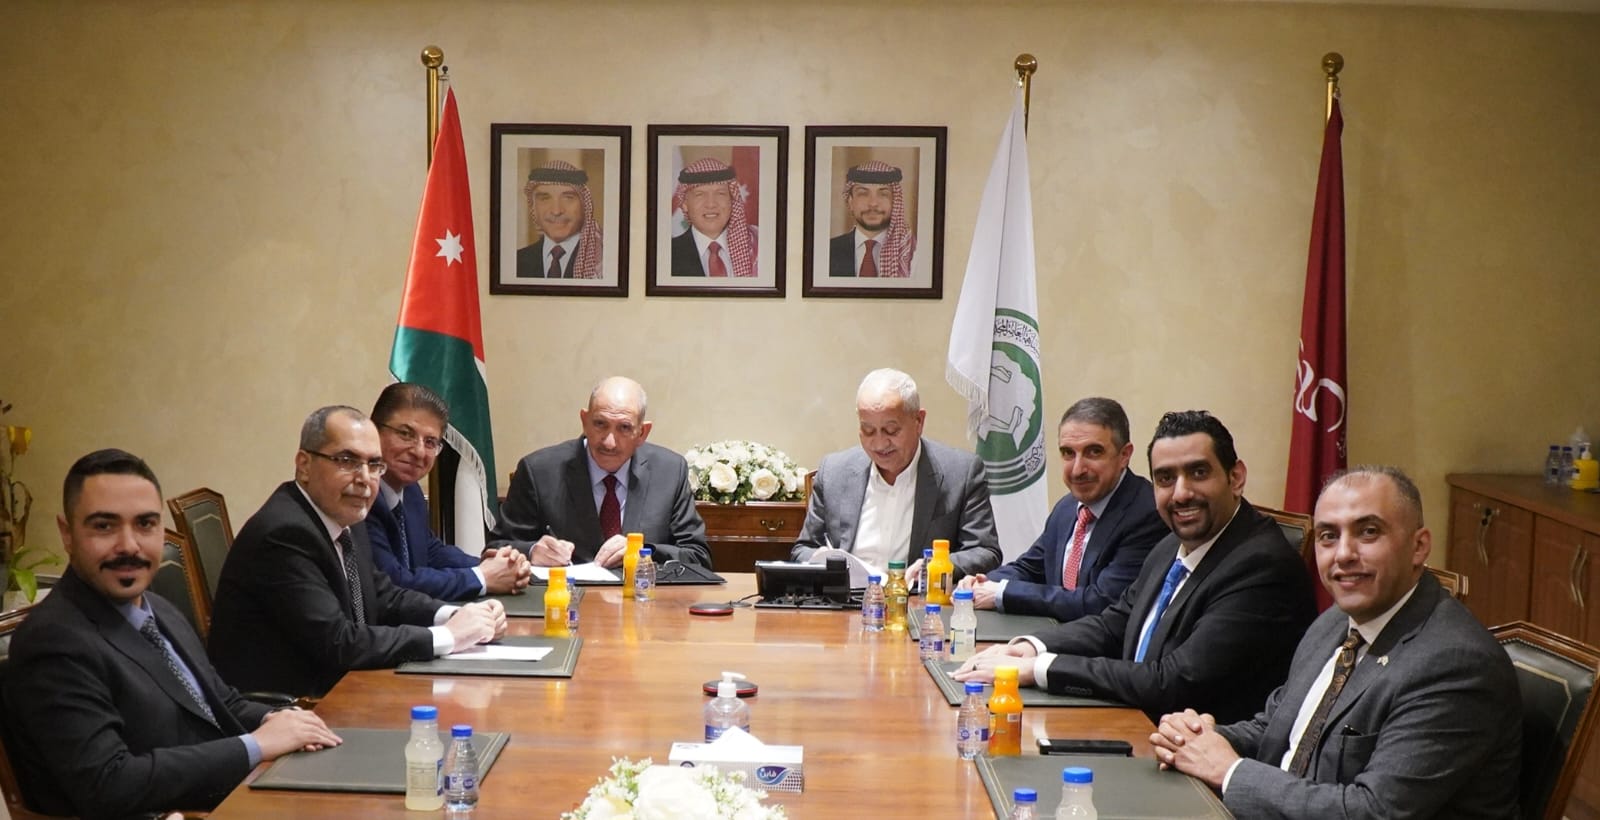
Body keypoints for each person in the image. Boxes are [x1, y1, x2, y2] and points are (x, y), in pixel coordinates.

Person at [1150, 466, 1521, 819]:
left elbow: (1372, 811)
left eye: (1368, 532)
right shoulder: (1335, 623)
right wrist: (1199, 739)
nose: (1343, 554)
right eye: (1328, 536)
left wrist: (1230, 772)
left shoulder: (1454, 664)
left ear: (1419, 546)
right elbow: (1278, 726)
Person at [3, 449, 343, 818]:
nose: (129, 545)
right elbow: (108, 782)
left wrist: (281, 720)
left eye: (145, 524)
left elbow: (223, 703)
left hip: (239, 794)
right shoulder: (54, 642)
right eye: (104, 526)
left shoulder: (159, 608)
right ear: (67, 534)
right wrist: (256, 745)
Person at [953, 410, 1316, 724]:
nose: (1181, 493)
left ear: (1235, 477)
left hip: (1195, 756)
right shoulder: (1172, 544)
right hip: (1135, 724)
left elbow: (1171, 681)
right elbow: (1115, 623)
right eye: (1166, 478)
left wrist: (1040, 669)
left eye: (1198, 472)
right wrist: (1030, 647)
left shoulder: (1261, 566)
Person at [207, 406, 507, 698]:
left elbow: (384, 596)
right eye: (347, 461)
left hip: (346, 687)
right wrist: (448, 636)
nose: (364, 478)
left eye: (374, 465)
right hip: (295, 706)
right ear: (304, 465)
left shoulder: (346, 516)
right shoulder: (284, 534)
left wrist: (456, 615)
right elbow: (338, 642)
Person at [958, 397, 1168, 622]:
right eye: (1068, 453)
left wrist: (1002, 593)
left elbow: (1101, 602)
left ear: (1124, 455)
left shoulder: (1147, 513)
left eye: (1093, 452)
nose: (1077, 469)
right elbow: (1031, 568)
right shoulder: (1068, 508)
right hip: (1054, 636)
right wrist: (982, 582)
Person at [792, 368, 1001, 582]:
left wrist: (936, 566)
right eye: (868, 430)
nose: (879, 444)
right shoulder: (834, 472)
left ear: (919, 421)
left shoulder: (961, 472)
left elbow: (985, 551)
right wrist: (820, 559)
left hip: (917, 599)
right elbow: (803, 549)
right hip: (848, 598)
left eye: (891, 430)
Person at [489, 376, 712, 569]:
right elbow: (496, 548)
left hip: (643, 600)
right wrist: (532, 551)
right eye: (600, 424)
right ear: (584, 421)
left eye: (624, 427)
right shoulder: (539, 471)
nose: (609, 442)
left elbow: (698, 557)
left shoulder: (670, 472)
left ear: (642, 432)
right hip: (564, 600)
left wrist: (644, 552)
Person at [364, 382, 531, 601]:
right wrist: (482, 577)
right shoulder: (361, 497)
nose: (419, 451)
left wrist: (493, 565)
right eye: (405, 434)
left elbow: (431, 551)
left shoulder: (411, 491)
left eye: (430, 442)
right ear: (373, 431)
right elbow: (395, 582)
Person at [514, 159, 603, 279]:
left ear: (584, 205)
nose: (556, 211)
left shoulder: (604, 260)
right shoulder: (517, 261)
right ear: (533, 207)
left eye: (568, 198)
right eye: (545, 198)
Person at [670, 157, 757, 278]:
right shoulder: (667, 254)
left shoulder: (757, 247)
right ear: (685, 204)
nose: (711, 204)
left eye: (720, 193)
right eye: (700, 194)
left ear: (732, 200)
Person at [828, 160, 916, 278]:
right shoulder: (827, 251)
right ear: (850, 202)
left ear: (895, 202)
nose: (873, 203)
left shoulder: (912, 253)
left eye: (883, 194)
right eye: (863, 194)